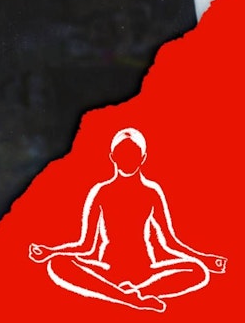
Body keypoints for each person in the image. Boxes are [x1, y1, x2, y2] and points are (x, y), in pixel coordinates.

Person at [28, 127, 227, 312]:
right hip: (109, 268)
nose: (127, 160)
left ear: (142, 157)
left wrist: (205, 260)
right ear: (113, 157)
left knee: (198, 271)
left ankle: (131, 294)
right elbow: (87, 245)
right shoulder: (102, 192)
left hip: (144, 270)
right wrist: (50, 252)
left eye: (133, 155)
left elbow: (169, 242)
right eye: (123, 155)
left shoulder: (151, 193)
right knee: (57, 264)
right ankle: (129, 298)